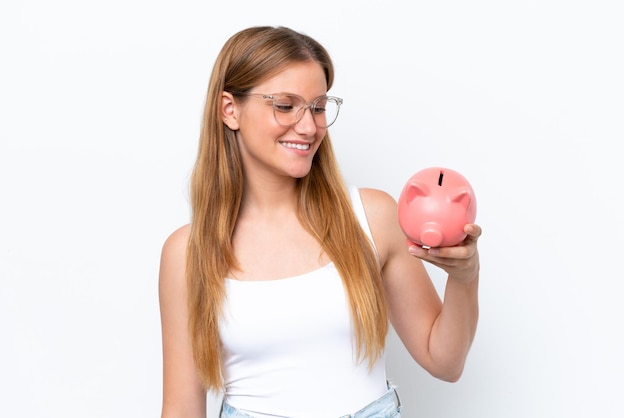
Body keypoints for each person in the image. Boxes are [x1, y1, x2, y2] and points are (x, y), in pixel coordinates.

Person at [158, 25, 481, 418]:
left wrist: (465, 277)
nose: (309, 127)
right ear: (230, 110)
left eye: (318, 106)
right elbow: (181, 409)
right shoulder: (187, 253)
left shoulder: (372, 219)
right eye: (285, 105)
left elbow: (444, 362)